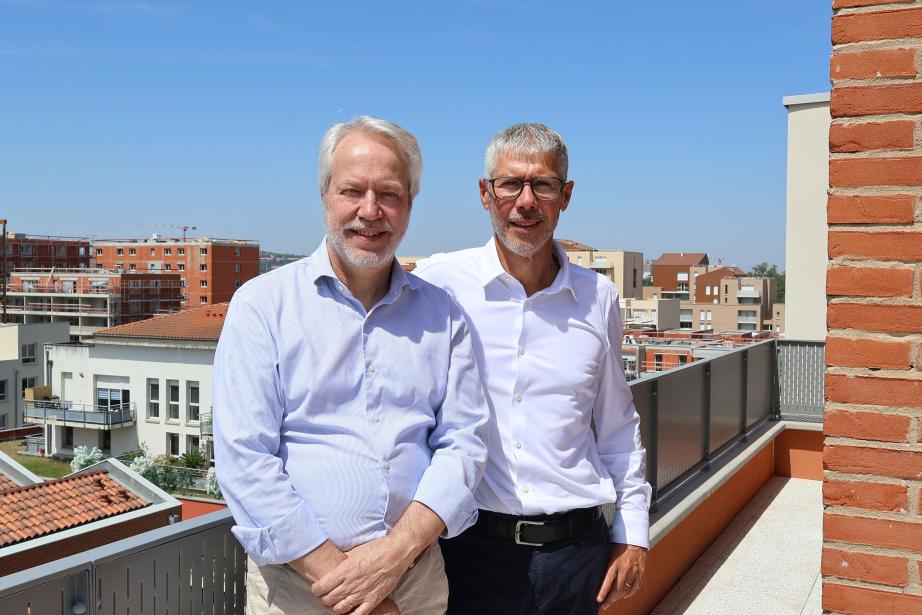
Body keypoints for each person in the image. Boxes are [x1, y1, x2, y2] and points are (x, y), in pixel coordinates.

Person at [213, 116, 489, 615]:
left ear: (409, 204)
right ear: (324, 195)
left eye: (389, 193)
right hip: (298, 592)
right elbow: (245, 461)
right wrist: (351, 586)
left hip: (415, 582)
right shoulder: (261, 306)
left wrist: (393, 558)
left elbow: (464, 445)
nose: (370, 210)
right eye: (352, 190)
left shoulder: (444, 316)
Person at [415, 122, 652, 615]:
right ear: (485, 194)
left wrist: (633, 531)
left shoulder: (598, 297)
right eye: (510, 184)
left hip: (577, 554)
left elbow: (617, 425)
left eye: (542, 185)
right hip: (468, 550)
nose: (525, 201)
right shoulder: (440, 285)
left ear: (565, 196)